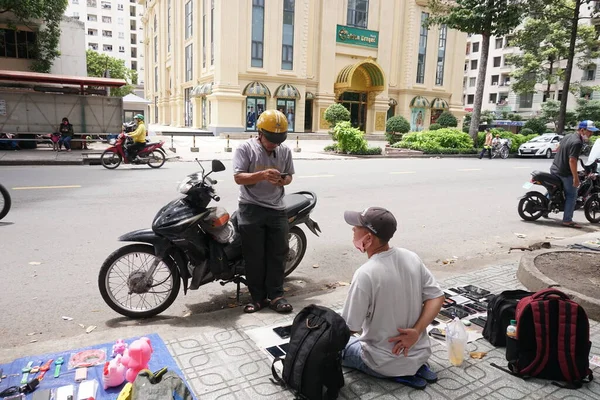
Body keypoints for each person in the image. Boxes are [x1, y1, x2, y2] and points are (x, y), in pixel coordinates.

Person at [341, 207, 445, 389]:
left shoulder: (365, 274)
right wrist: (417, 331)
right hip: (419, 353)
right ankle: (414, 369)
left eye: (356, 227)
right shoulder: (410, 257)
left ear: (369, 238)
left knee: (340, 346)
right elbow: (437, 297)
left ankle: (395, 375)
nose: (353, 230)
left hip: (381, 363)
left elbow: (349, 328)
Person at [232, 109, 295, 314]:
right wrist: (262, 175)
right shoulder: (245, 148)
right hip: (251, 208)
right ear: (260, 133)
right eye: (270, 139)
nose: (274, 144)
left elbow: (289, 177)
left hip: (277, 208)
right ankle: (258, 298)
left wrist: (282, 180)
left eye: (278, 140)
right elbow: (239, 177)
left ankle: (276, 295)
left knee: (278, 255)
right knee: (254, 256)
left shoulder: (284, 151)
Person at [550, 120, 597, 228]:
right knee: (572, 194)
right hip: (564, 173)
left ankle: (544, 210)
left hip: (554, 168)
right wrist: (576, 178)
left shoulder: (568, 136)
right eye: (589, 132)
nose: (591, 134)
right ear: (582, 130)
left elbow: (558, 148)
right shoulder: (577, 142)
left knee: (553, 190)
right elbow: (572, 160)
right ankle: (567, 220)